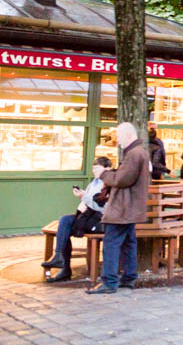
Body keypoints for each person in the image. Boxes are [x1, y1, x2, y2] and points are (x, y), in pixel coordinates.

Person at [87, 122, 150, 294]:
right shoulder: (139, 153)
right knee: (129, 243)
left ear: (129, 135)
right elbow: (126, 177)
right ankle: (128, 278)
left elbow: (122, 180)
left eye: (119, 136)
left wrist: (103, 174)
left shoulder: (134, 154)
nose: (117, 140)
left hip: (123, 208)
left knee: (112, 243)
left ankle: (109, 282)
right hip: (130, 208)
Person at [42, 156, 111, 282]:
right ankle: (60, 259)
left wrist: (84, 197)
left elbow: (103, 207)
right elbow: (89, 203)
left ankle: (63, 266)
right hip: (88, 216)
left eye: (98, 169)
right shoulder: (93, 183)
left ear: (108, 169)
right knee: (64, 222)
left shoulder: (108, 184)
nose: (95, 172)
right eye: (93, 169)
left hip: (100, 220)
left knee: (65, 226)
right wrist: (83, 199)